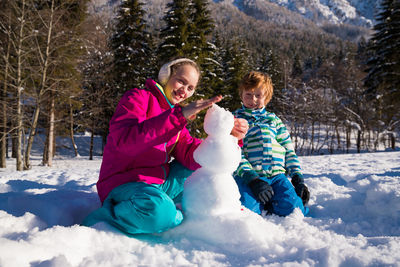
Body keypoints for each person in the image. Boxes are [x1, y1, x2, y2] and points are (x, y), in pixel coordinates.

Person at [82, 58, 248, 235]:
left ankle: (220, 210)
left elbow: (192, 154)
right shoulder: (138, 97)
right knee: (160, 213)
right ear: (166, 75)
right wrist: (179, 116)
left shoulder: (175, 117)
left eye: (190, 88)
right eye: (181, 81)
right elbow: (125, 142)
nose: (184, 91)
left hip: (157, 184)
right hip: (123, 184)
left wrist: (227, 138)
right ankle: (104, 218)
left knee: (203, 169)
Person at [232, 71, 310, 217]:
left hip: (276, 176)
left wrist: (297, 178)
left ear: (266, 97)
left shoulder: (274, 121)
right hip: (249, 177)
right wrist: (252, 179)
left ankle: (273, 203)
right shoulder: (235, 120)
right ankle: (259, 203)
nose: (252, 99)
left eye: (258, 95)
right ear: (241, 94)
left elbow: (288, 150)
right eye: (248, 94)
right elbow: (234, 151)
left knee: (294, 209)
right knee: (246, 210)